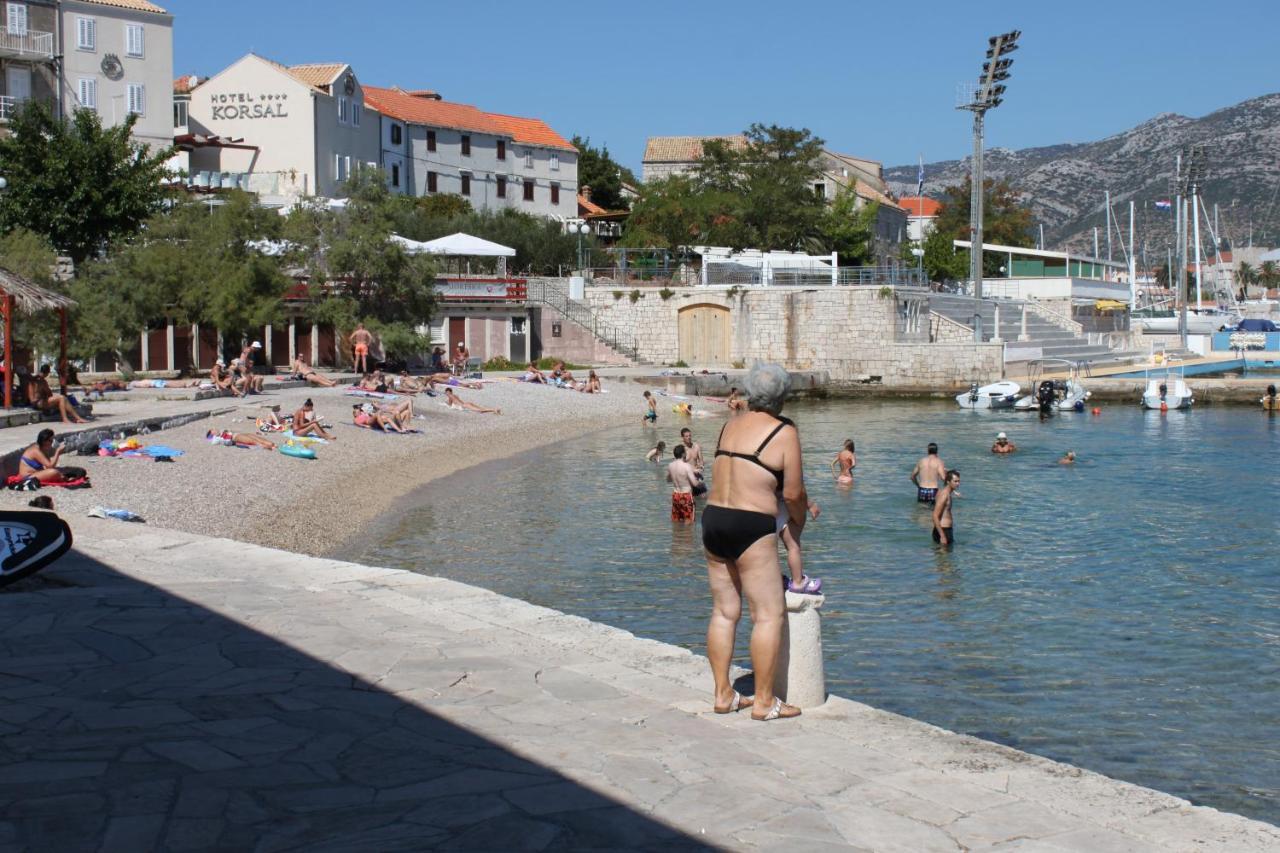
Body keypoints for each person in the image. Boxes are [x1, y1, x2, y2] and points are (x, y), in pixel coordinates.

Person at [701, 363, 806, 722]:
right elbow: (792, 493)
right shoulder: (784, 430)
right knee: (768, 615)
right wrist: (799, 521)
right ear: (782, 397)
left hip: (714, 519)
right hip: (751, 524)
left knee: (724, 612)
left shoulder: (730, 425)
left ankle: (723, 694)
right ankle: (764, 701)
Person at [780, 498, 822, 594]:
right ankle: (798, 582)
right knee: (793, 547)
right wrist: (810, 505)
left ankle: (777, 579)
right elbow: (793, 493)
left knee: (769, 550)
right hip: (783, 508)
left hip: (760, 508)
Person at [18, 429, 87, 484]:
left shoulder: (43, 449)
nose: (52, 442)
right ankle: (65, 478)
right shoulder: (36, 450)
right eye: (50, 441)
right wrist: (57, 452)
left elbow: (48, 465)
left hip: (37, 473)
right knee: (54, 472)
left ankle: (64, 477)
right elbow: (50, 466)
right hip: (28, 477)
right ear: (44, 441)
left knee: (77, 470)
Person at [666, 444, 698, 525]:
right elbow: (694, 484)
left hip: (676, 495)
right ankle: (686, 536)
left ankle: (677, 536)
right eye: (685, 451)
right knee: (689, 521)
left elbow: (668, 480)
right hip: (686, 495)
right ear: (683, 454)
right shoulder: (687, 466)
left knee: (676, 520)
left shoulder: (670, 465)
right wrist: (699, 480)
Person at [932, 470, 960, 547]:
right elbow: (935, 515)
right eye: (955, 481)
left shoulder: (945, 492)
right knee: (944, 558)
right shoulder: (944, 495)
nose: (958, 484)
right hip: (943, 530)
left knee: (946, 558)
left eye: (958, 481)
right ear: (948, 481)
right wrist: (943, 536)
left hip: (945, 530)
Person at [208, 429, 277, 450]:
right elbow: (213, 442)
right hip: (235, 437)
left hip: (239, 433)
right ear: (212, 434)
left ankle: (273, 444)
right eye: (213, 431)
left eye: (214, 429)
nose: (215, 430)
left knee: (257, 438)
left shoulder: (221, 431)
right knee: (255, 441)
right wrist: (214, 436)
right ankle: (271, 447)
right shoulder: (217, 438)